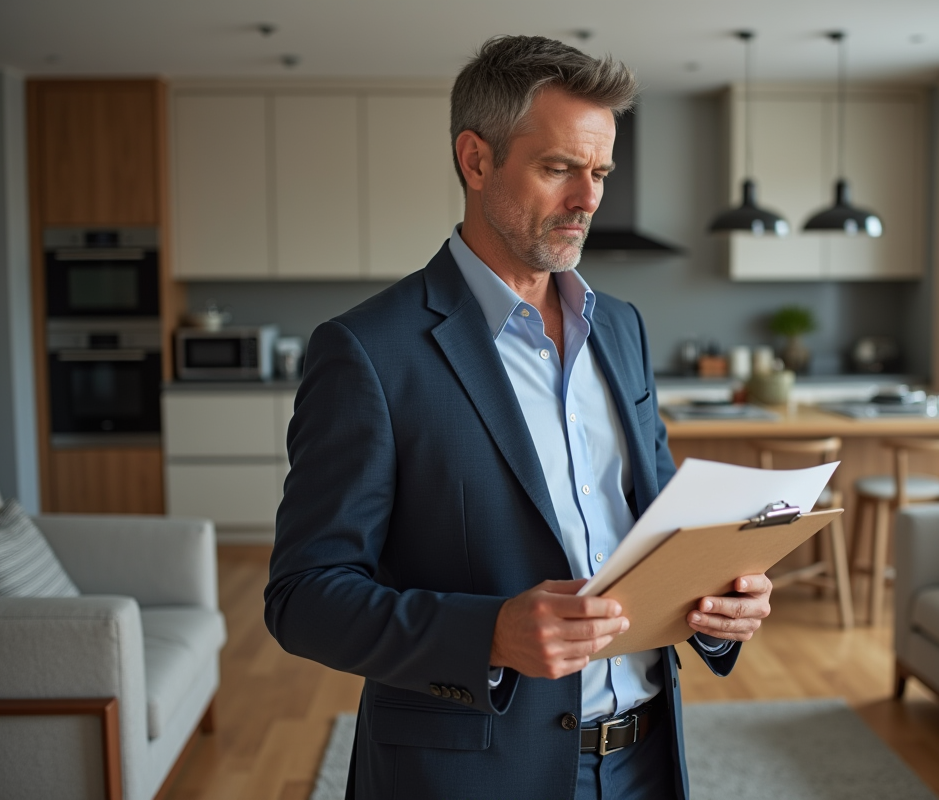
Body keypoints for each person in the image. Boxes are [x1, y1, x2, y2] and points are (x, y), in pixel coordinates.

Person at [264, 35, 774, 800]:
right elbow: (303, 598)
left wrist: (719, 599)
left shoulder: (622, 327)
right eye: (559, 168)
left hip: (645, 759)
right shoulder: (367, 351)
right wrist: (489, 634)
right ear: (476, 160)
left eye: (599, 171)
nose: (589, 199)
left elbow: (660, 521)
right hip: (468, 773)